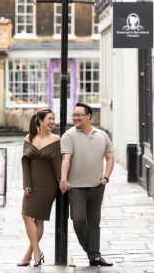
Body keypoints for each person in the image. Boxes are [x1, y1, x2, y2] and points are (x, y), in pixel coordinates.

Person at [60, 102, 115, 267]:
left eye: (79, 115)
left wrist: (106, 178)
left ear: (89, 116)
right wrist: (64, 179)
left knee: (94, 222)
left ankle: (95, 255)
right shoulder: (69, 135)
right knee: (78, 220)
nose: (75, 118)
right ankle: (92, 252)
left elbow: (110, 158)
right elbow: (66, 158)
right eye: (74, 115)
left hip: (98, 186)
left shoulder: (102, 135)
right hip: (76, 187)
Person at [17, 107, 61, 268]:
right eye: (49, 118)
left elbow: (58, 164)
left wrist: (62, 183)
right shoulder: (29, 139)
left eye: (53, 118)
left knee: (38, 219)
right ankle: (35, 253)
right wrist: (26, 184)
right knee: (26, 216)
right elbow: (25, 162)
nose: (52, 122)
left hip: (48, 186)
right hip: (32, 185)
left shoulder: (56, 139)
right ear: (40, 121)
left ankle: (32, 254)